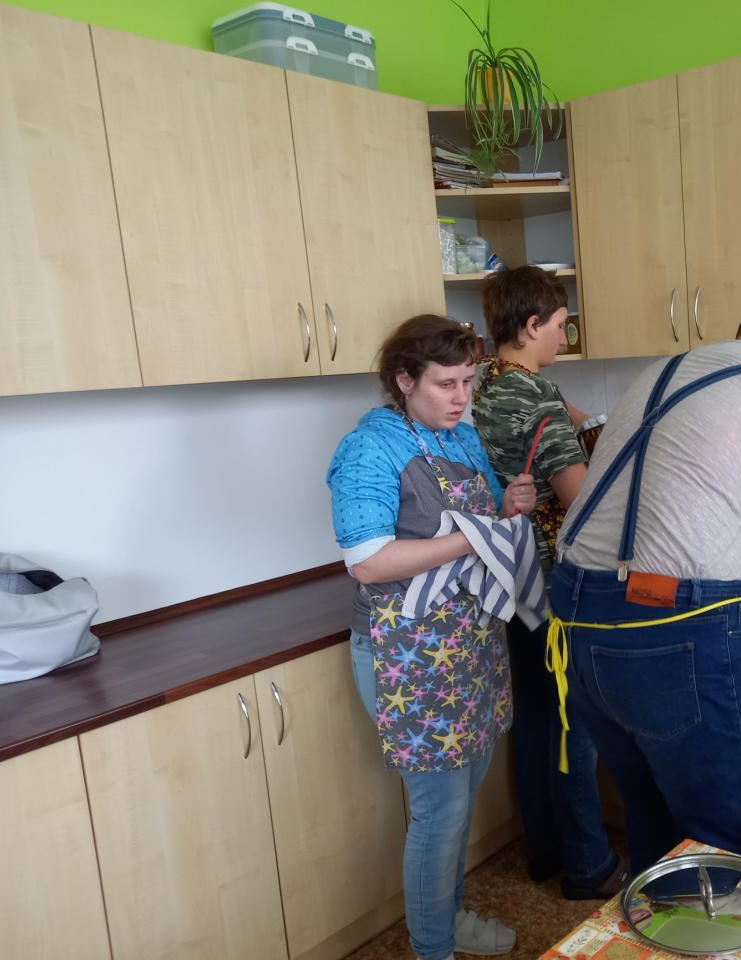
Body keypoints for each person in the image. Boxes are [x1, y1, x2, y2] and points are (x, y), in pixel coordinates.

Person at [547, 279, 741, 877]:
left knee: (652, 822)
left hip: (578, 619)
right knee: (722, 850)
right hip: (678, 629)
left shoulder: (657, 374)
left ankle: (661, 917)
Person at [326, 315, 537, 960]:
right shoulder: (370, 449)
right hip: (407, 652)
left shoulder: (461, 438)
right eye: (446, 384)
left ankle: (449, 918)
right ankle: (433, 948)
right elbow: (368, 561)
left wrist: (509, 507)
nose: (461, 397)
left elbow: (486, 517)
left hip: (469, 643)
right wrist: (473, 537)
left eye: (468, 381)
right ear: (404, 380)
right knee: (439, 813)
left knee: (462, 800)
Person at [470, 266, 627, 900]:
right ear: (532, 325)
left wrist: (605, 422)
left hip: (503, 579)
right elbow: (579, 500)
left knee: (536, 715)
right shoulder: (533, 399)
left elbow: (571, 413)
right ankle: (588, 866)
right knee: (573, 723)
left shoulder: (487, 380)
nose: (565, 336)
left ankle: (545, 851)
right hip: (551, 579)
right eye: (560, 325)